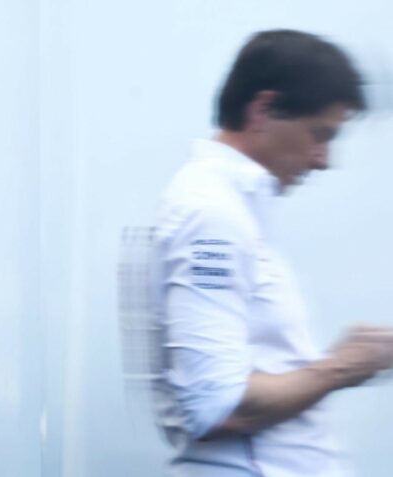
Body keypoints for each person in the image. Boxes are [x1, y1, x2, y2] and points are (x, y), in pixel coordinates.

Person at [150, 29, 393, 476]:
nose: (323, 159)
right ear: (263, 110)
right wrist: (343, 367)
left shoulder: (231, 209)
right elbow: (217, 405)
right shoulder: (212, 214)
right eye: (319, 134)